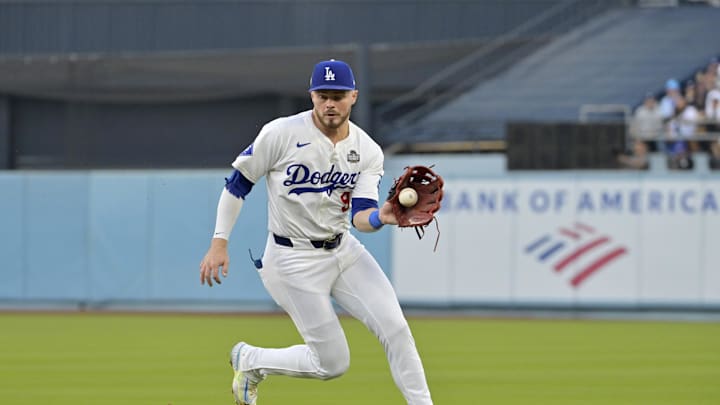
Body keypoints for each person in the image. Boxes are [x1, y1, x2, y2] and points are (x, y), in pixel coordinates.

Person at [199, 59, 434, 405]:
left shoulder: (367, 150)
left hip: (343, 250)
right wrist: (219, 242)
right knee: (333, 363)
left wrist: (383, 216)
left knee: (396, 328)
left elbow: (361, 216)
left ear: (353, 96)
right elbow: (238, 184)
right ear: (311, 96)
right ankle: (250, 360)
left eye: (337, 95)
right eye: (323, 95)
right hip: (291, 259)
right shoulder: (280, 133)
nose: (330, 103)